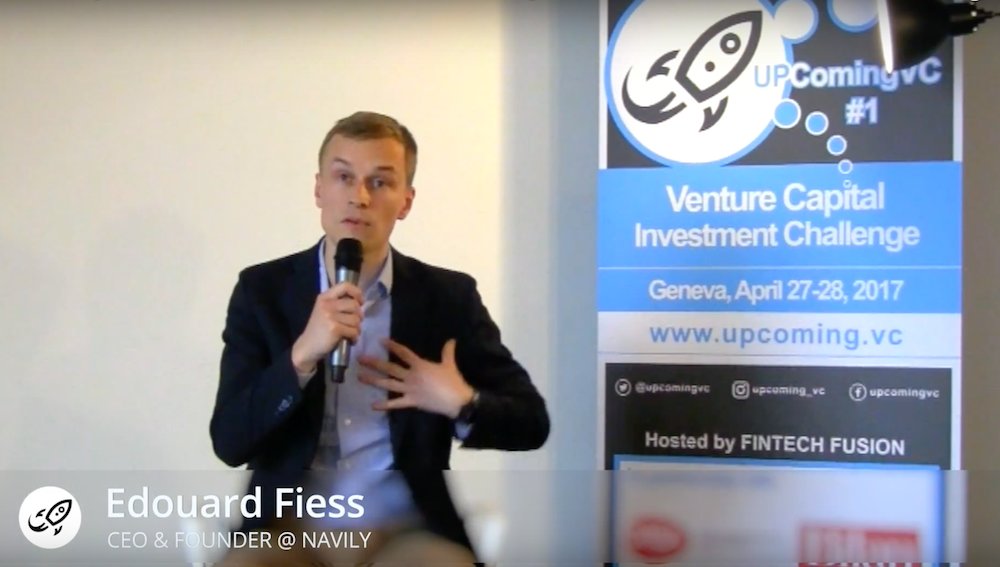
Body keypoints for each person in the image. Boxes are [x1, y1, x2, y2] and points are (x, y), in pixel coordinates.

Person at [209, 111, 549, 565]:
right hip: (287, 530)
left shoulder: (447, 298)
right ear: (319, 189)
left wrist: (461, 402)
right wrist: (300, 357)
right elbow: (229, 441)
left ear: (406, 201)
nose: (360, 197)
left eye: (380, 182)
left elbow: (532, 423)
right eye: (344, 177)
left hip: (404, 531)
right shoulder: (262, 291)